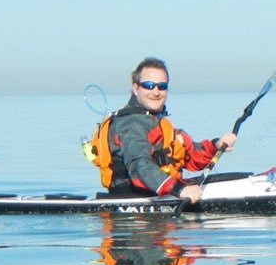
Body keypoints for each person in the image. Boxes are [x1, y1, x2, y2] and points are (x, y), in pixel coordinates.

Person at [94, 57, 236, 204]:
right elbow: (139, 166)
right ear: (136, 89)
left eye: (162, 86)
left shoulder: (155, 121)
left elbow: (192, 157)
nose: (156, 92)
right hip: (133, 210)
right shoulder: (131, 124)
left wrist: (217, 145)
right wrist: (180, 190)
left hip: (161, 194)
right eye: (149, 85)